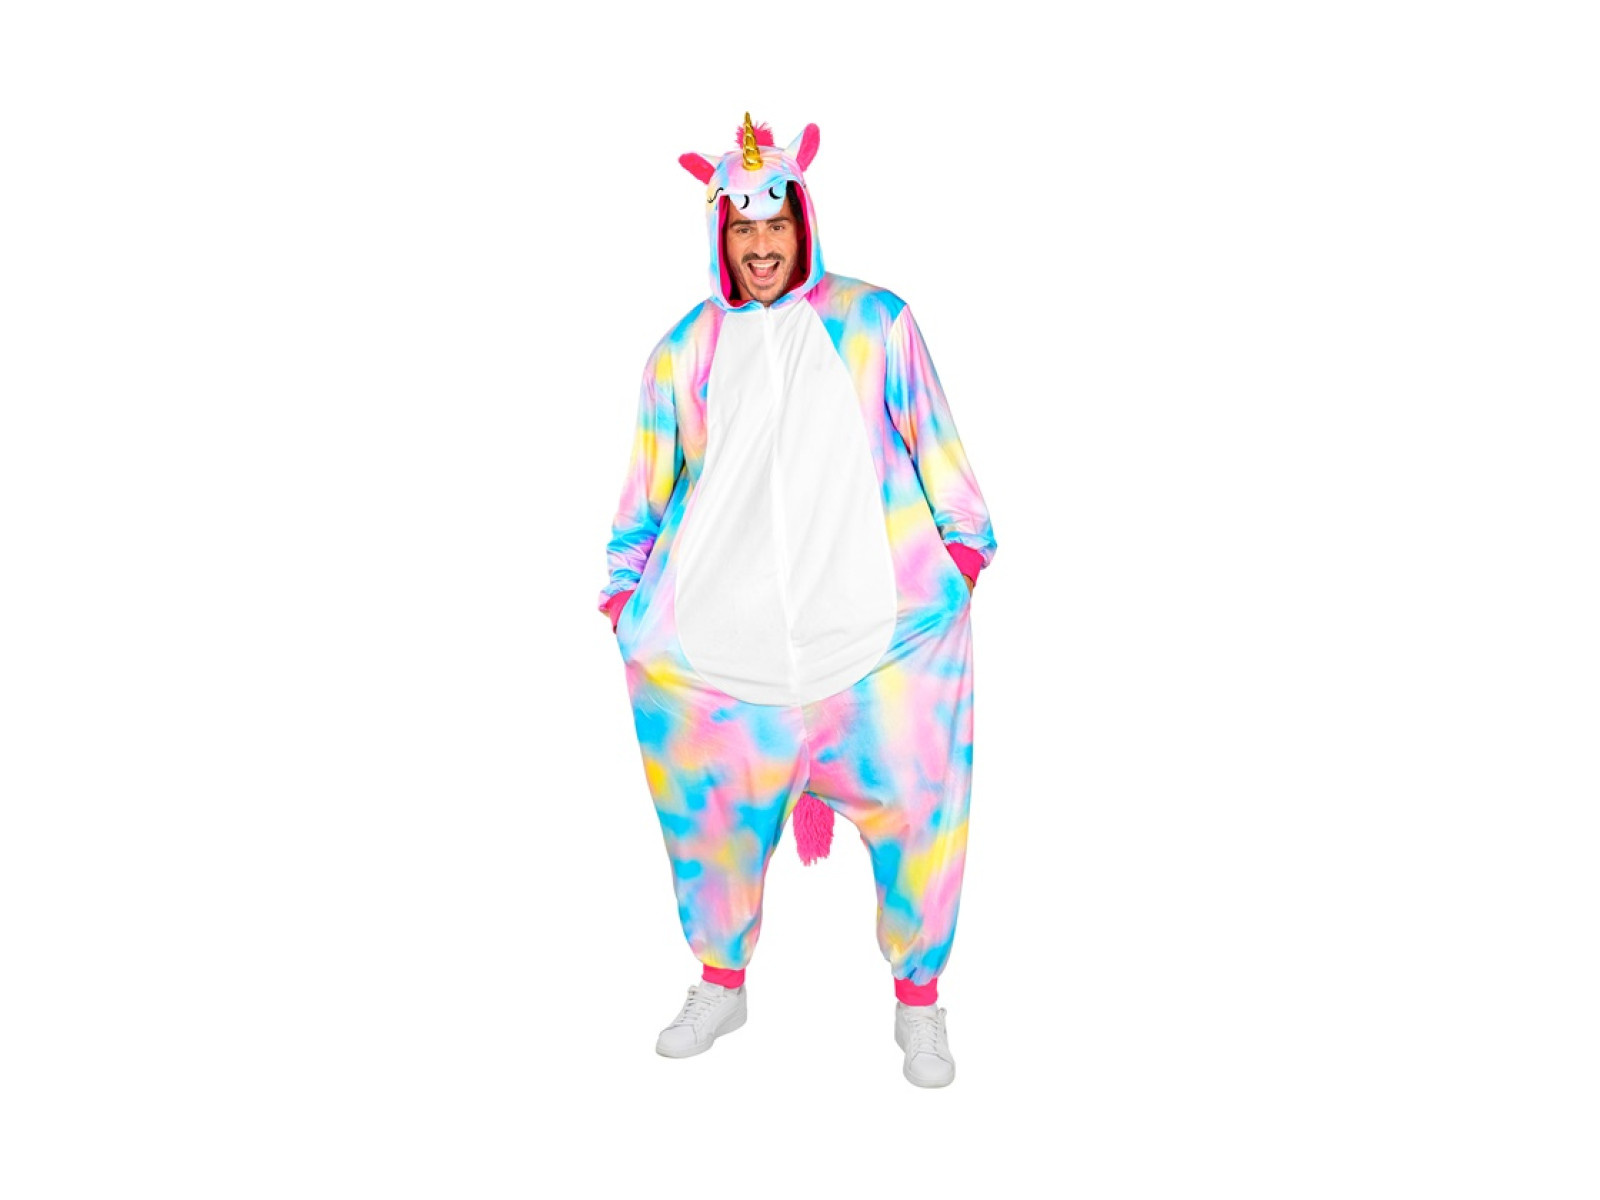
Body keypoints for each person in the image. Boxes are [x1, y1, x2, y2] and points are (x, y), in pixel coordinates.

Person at [595, 113, 997, 1088]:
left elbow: (936, 442)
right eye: (742, 228)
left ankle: (919, 1005)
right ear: (720, 237)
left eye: (775, 223)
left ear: (802, 223)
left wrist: (959, 554)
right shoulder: (683, 351)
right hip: (717, 647)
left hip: (878, 640)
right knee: (709, 824)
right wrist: (623, 593)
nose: (762, 244)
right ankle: (720, 984)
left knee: (920, 814)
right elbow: (648, 488)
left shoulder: (874, 322)